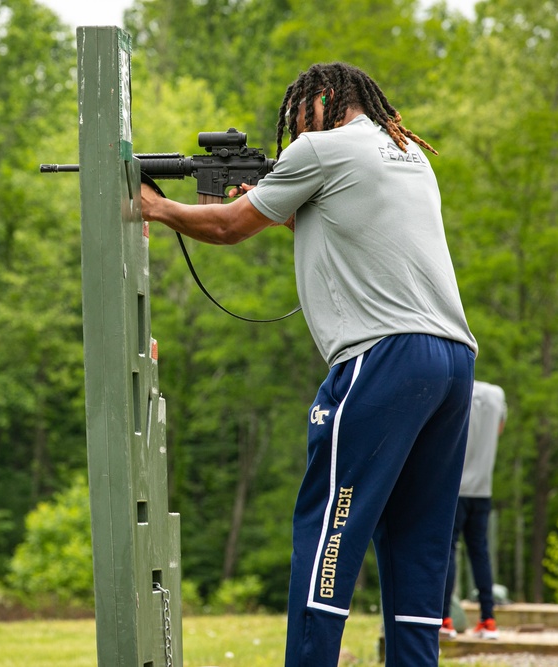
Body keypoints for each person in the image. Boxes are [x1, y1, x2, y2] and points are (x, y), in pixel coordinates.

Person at [140, 61, 477, 667]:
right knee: (417, 543)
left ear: (317, 103)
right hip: (452, 361)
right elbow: (354, 225)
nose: (291, 134)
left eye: (295, 116)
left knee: (327, 525)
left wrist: (156, 209)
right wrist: (282, 203)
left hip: (383, 357)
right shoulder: (406, 152)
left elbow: (226, 226)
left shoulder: (320, 149)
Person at [440, 380, 507, 640]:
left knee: (448, 552)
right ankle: (488, 620)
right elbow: (499, 429)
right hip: (483, 488)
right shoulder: (496, 394)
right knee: (480, 553)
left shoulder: (454, 386)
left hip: (453, 488)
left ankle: (444, 619)